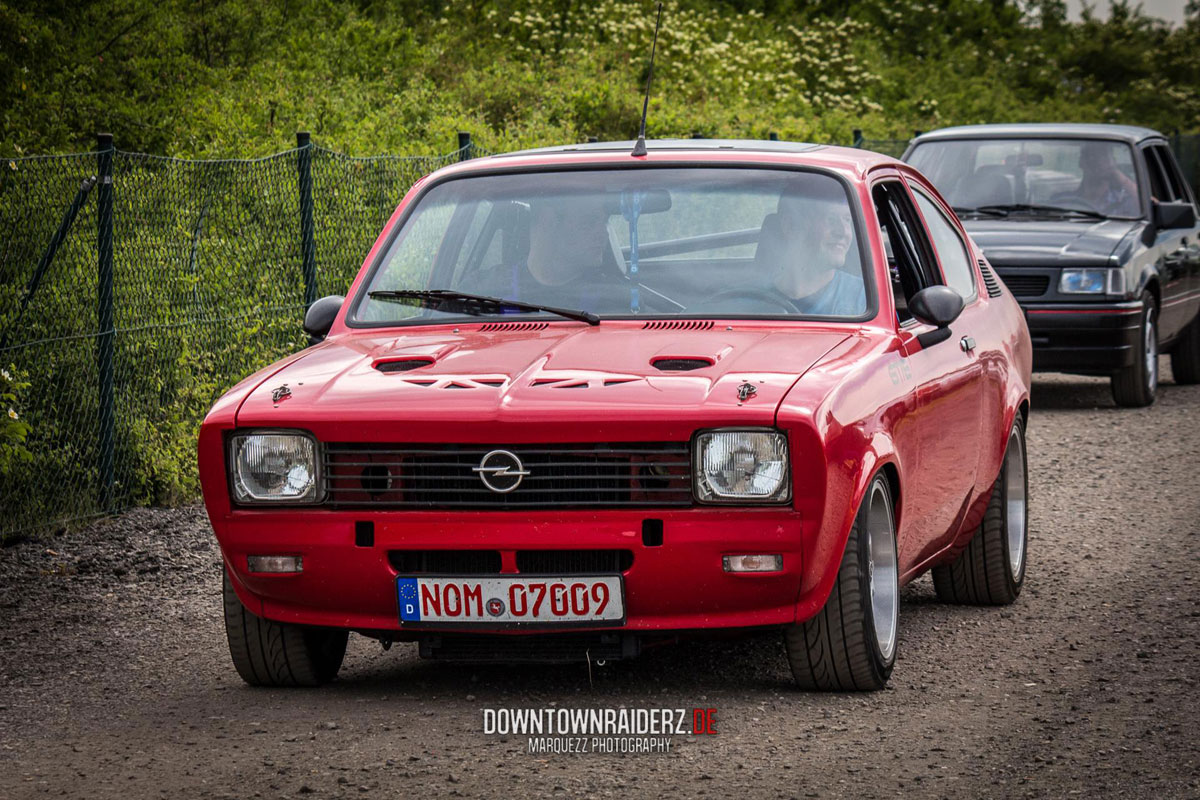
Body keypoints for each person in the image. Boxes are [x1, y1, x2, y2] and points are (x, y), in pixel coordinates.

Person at [760, 188, 866, 316]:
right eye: (831, 219)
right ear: (791, 226)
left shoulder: (864, 301)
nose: (843, 232)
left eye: (847, 220)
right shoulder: (753, 298)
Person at [1075, 142, 1139, 217]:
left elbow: (1148, 205)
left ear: (1113, 162)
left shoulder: (1124, 201)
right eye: (1092, 157)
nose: (1098, 162)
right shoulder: (1065, 201)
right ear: (1081, 162)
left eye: (1104, 157)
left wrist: (1115, 172)